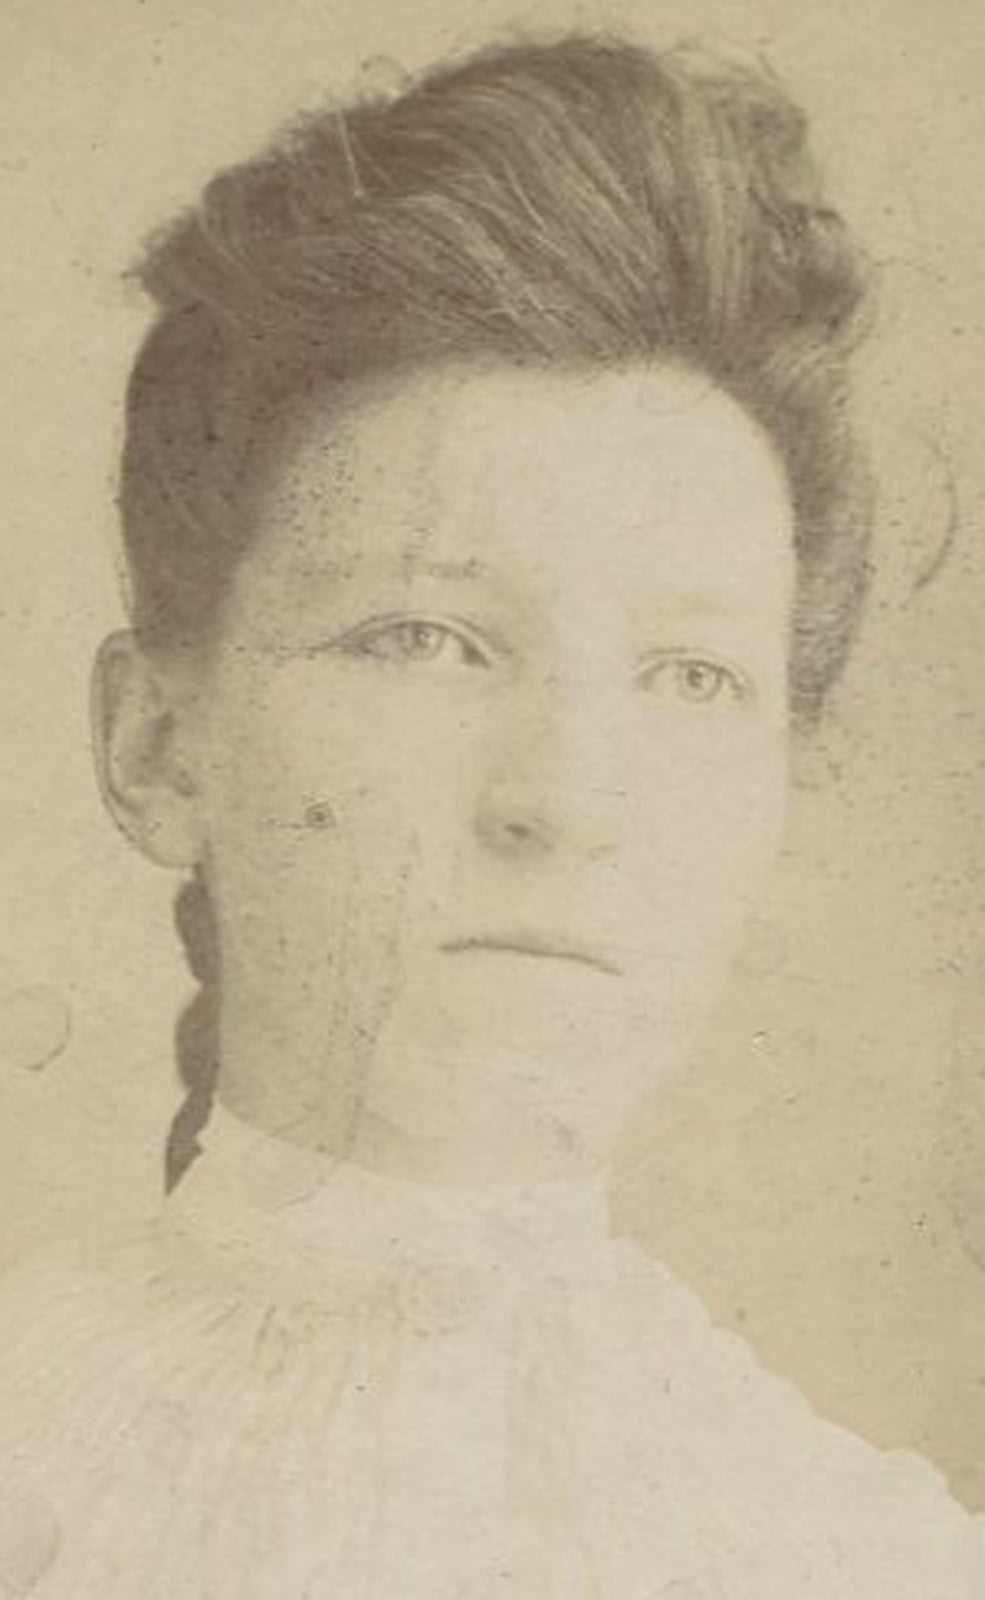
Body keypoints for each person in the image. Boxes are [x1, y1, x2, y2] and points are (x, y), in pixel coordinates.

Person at [1, 30, 983, 1599]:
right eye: (425, 639)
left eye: (691, 676)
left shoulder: (866, 1554)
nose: (565, 804)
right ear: (159, 747)